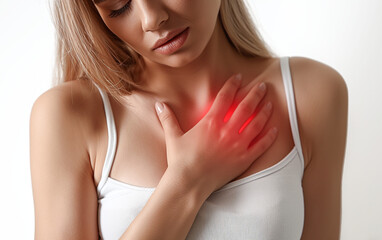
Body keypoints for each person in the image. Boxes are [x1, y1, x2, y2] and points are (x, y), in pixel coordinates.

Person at [30, 0, 348, 239]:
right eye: (119, 5)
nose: (152, 18)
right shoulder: (70, 114)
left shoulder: (312, 95)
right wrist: (188, 180)